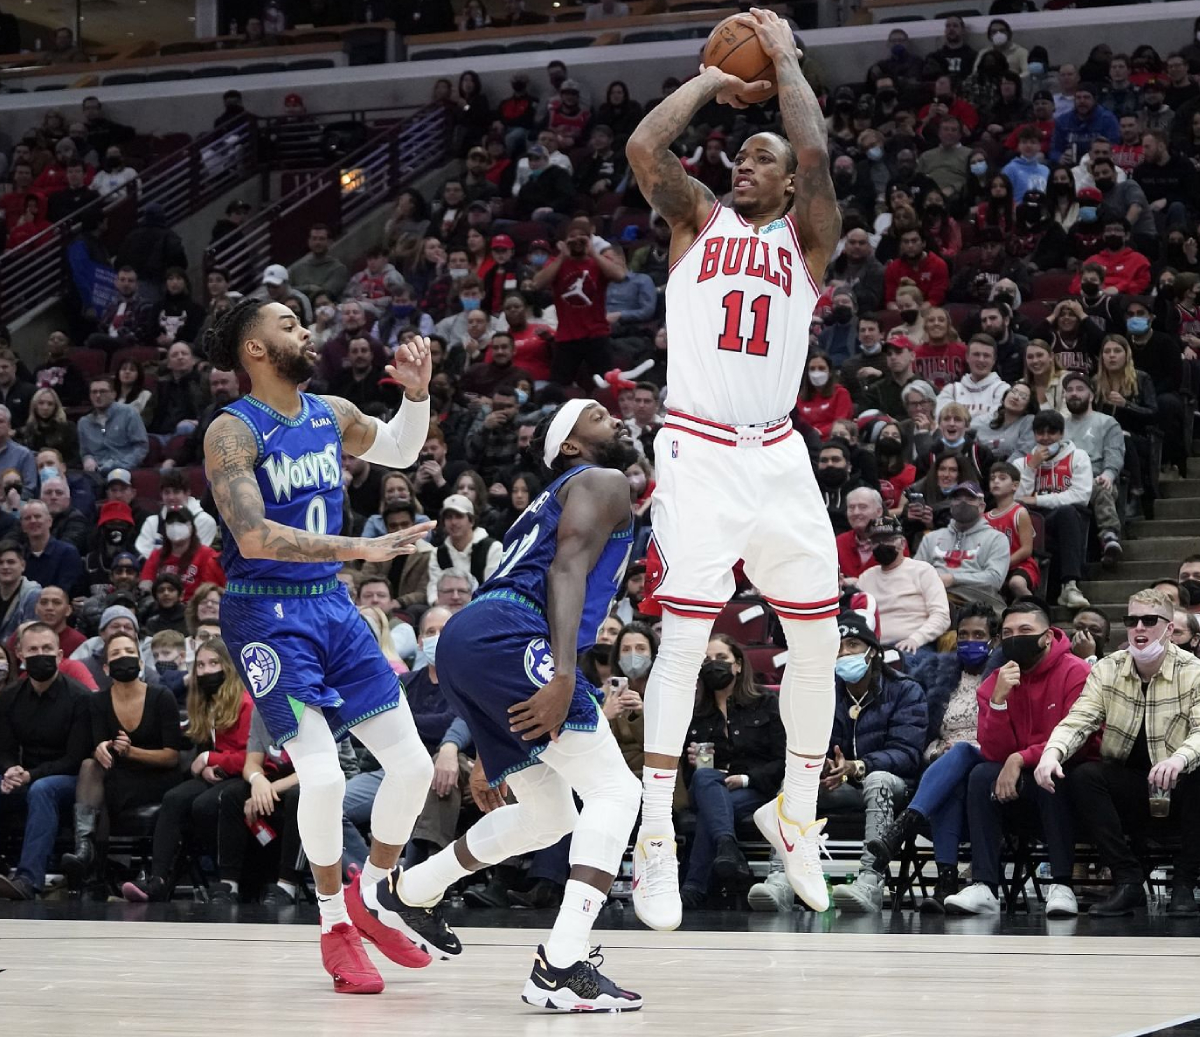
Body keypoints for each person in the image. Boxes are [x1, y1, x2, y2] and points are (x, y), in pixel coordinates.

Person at [623, 8, 841, 928]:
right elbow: (644, 146)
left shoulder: (807, 238)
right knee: (681, 640)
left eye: (761, 157)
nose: (742, 165)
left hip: (780, 453)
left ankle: (793, 810)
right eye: (738, 156)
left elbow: (820, 156)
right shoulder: (697, 222)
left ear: (788, 182)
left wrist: (784, 59)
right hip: (701, 449)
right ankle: (655, 836)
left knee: (821, 640)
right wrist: (717, 79)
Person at [203, 295, 443, 993]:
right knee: (327, 775)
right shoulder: (232, 431)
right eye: (288, 324)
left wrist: (419, 397)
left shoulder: (330, 412)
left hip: (330, 606)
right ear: (255, 349)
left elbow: (399, 446)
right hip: (265, 614)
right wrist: (356, 546)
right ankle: (335, 922)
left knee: (414, 769)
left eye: (304, 322)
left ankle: (374, 894)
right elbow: (251, 536)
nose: (306, 331)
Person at [380, 400, 644, 1010]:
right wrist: (563, 677)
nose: (618, 420)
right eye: (599, 417)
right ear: (571, 446)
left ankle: (410, 891)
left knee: (548, 816)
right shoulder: (600, 480)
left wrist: (486, 740)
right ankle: (561, 965)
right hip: (513, 633)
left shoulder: (549, 500)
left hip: (472, 640)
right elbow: (567, 573)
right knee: (616, 792)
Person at [1036, 589, 1200, 918]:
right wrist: (1051, 753)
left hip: (1180, 780)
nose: (1139, 628)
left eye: (1149, 621)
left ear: (1169, 629)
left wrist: (1179, 758)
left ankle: (1184, 885)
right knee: (1084, 776)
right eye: (1131, 620)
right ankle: (1127, 882)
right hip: (1131, 783)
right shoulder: (1108, 669)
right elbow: (1079, 720)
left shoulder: (1193, 670)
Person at [941, 600, 1091, 916]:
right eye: (1007, 632)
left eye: (1025, 630)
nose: (1014, 638)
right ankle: (984, 886)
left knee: (1052, 773)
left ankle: (1062, 885)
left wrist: (1020, 759)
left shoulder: (1077, 671)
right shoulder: (996, 680)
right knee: (981, 774)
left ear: (1048, 636)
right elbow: (994, 751)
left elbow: (1079, 738)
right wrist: (998, 702)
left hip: (1066, 784)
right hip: (1016, 788)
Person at [866, 605, 998, 912]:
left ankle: (903, 824)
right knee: (948, 777)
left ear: (994, 640)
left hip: (991, 762)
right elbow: (927, 733)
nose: (969, 641)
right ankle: (946, 882)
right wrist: (937, 752)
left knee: (964, 750)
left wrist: (962, 749)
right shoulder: (937, 675)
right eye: (963, 635)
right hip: (946, 768)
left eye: (978, 635)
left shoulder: (1004, 676)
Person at [120, 639, 253, 901]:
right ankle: (157, 880)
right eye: (200, 665)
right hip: (219, 774)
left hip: (246, 777)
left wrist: (208, 758)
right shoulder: (204, 703)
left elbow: (251, 758)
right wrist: (205, 767)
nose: (205, 671)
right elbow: (204, 756)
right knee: (174, 798)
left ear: (229, 666)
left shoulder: (247, 702)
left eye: (213, 663)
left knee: (203, 805)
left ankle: (233, 879)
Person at [60, 633, 184, 892]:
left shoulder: (162, 697)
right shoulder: (97, 701)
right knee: (90, 767)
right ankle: (89, 857)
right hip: (119, 775)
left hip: (157, 776)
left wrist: (131, 752)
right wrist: (100, 749)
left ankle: (93, 865)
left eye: (129, 651)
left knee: (101, 793)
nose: (124, 657)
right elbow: (100, 745)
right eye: (116, 654)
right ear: (106, 668)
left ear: (140, 662)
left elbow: (172, 756)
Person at [822, 611, 927, 913]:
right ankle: (782, 878)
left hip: (895, 785)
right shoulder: (826, 693)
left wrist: (859, 765)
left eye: (852, 645)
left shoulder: (906, 690)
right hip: (839, 782)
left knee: (877, 780)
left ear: (873, 652)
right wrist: (823, 766)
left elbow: (907, 755)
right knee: (794, 783)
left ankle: (870, 879)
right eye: (838, 647)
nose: (844, 653)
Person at [678, 634, 785, 908]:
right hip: (714, 787)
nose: (714, 665)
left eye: (721, 658)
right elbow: (692, 780)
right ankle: (727, 849)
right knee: (705, 779)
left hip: (757, 788)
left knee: (710, 813)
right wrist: (693, 763)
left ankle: (694, 886)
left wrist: (746, 779)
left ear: (737, 665)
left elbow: (783, 760)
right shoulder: (695, 714)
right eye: (707, 660)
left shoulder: (766, 703)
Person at [0, 622, 90, 901]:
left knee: (43, 789)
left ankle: (29, 880)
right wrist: (9, 769)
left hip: (69, 780)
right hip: (25, 775)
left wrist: (30, 775)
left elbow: (75, 758)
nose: (41, 654)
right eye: (34, 649)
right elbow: (4, 748)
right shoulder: (9, 697)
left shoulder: (80, 698)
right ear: (21, 655)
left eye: (47, 649)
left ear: (60, 656)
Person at [1013, 410, 1093, 609]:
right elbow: (1014, 498)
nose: (1046, 438)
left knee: (1067, 512)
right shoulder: (1021, 463)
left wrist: (1037, 499)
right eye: (1040, 433)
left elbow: (1080, 495)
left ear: (1062, 434)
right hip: (1030, 521)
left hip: (1068, 518)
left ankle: (1070, 586)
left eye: (1052, 433)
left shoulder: (1078, 457)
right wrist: (1031, 468)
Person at [858, 516, 950, 654]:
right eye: (876, 541)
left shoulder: (923, 570)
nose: (881, 545)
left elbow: (941, 615)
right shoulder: (866, 577)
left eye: (887, 539)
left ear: (902, 543)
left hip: (915, 646)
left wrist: (916, 639)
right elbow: (858, 618)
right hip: (874, 649)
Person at [1062, 371, 1125, 567]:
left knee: (1101, 487)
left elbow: (1114, 452)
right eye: (1069, 390)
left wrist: (1110, 473)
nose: (1074, 394)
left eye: (1080, 389)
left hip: (1094, 476)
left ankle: (1109, 537)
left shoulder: (1106, 422)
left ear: (1091, 395)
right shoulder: (1059, 425)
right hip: (1063, 479)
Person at [915, 481, 1010, 610]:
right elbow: (915, 573)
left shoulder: (997, 539)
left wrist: (953, 579)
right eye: (957, 498)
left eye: (970, 498)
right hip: (931, 596)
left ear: (981, 506)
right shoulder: (931, 538)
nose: (962, 502)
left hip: (975, 600)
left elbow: (995, 579)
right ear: (950, 505)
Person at [986, 461, 1040, 598]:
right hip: (993, 568)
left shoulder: (1019, 513)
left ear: (1015, 486)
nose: (996, 481)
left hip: (1020, 565)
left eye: (1002, 478)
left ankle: (1034, 609)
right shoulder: (984, 517)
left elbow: (1026, 549)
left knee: (1017, 583)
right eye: (993, 479)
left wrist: (1003, 564)